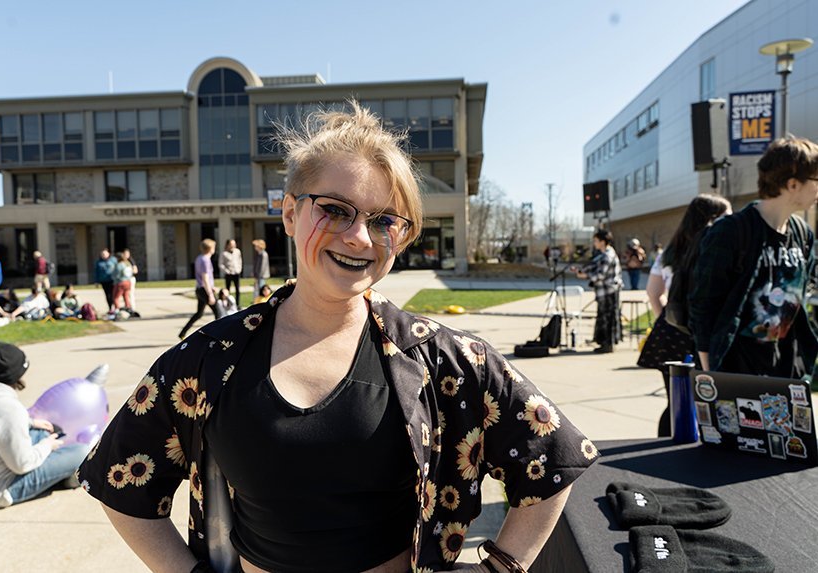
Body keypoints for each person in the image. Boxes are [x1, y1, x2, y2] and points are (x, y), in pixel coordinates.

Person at [78, 102, 597, 573]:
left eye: (384, 220)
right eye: (335, 208)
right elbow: (119, 483)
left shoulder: (446, 360)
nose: (359, 237)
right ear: (288, 212)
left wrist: (502, 567)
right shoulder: (209, 359)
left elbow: (555, 457)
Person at [690, 136, 818, 376]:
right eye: (816, 179)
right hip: (737, 368)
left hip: (786, 368)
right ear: (793, 184)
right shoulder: (731, 231)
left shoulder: (803, 234)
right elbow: (702, 305)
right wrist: (711, 372)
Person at [638, 194, 731, 435]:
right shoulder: (714, 250)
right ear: (713, 219)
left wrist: (668, 319)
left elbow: (653, 292)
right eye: (727, 217)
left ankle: (665, 450)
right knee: (707, 401)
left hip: (669, 333)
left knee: (675, 402)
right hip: (701, 333)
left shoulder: (670, 251)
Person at [0, 343, 89, 509]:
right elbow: (22, 464)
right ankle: (65, 476)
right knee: (81, 452)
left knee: (41, 432)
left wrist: (31, 423)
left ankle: (58, 467)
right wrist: (47, 446)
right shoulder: (9, 409)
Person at [574, 229, 623, 353]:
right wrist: (582, 270)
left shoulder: (608, 255)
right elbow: (593, 266)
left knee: (608, 318)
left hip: (609, 292)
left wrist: (585, 275)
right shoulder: (602, 254)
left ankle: (608, 344)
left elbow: (600, 275)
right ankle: (603, 343)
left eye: (596, 240)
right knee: (603, 317)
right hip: (603, 292)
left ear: (602, 242)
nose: (594, 243)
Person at [178, 238, 221, 339]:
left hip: (200, 289)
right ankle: (218, 335)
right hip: (204, 290)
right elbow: (205, 277)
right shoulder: (205, 260)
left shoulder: (199, 258)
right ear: (210, 248)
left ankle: (183, 333)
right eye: (214, 247)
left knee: (199, 314)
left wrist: (212, 286)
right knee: (218, 313)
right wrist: (210, 294)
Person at [220, 239, 243, 306]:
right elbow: (221, 264)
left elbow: (240, 261)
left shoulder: (238, 251)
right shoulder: (224, 253)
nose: (233, 245)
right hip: (228, 274)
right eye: (231, 244)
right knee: (227, 290)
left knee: (238, 290)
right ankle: (228, 304)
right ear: (227, 245)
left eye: (234, 244)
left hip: (236, 273)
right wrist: (226, 271)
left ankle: (238, 305)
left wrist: (239, 269)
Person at [111, 251, 134, 316]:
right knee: (126, 296)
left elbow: (116, 275)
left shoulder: (119, 265)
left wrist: (113, 279)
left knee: (116, 297)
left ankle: (117, 310)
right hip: (128, 282)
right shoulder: (127, 264)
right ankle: (128, 308)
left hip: (120, 282)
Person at [123, 248, 139, 314]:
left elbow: (135, 271)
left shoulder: (131, 261)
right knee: (125, 294)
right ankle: (127, 306)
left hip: (131, 279)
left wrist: (129, 271)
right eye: (125, 254)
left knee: (131, 294)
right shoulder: (122, 261)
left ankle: (132, 307)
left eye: (127, 254)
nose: (126, 255)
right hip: (124, 279)